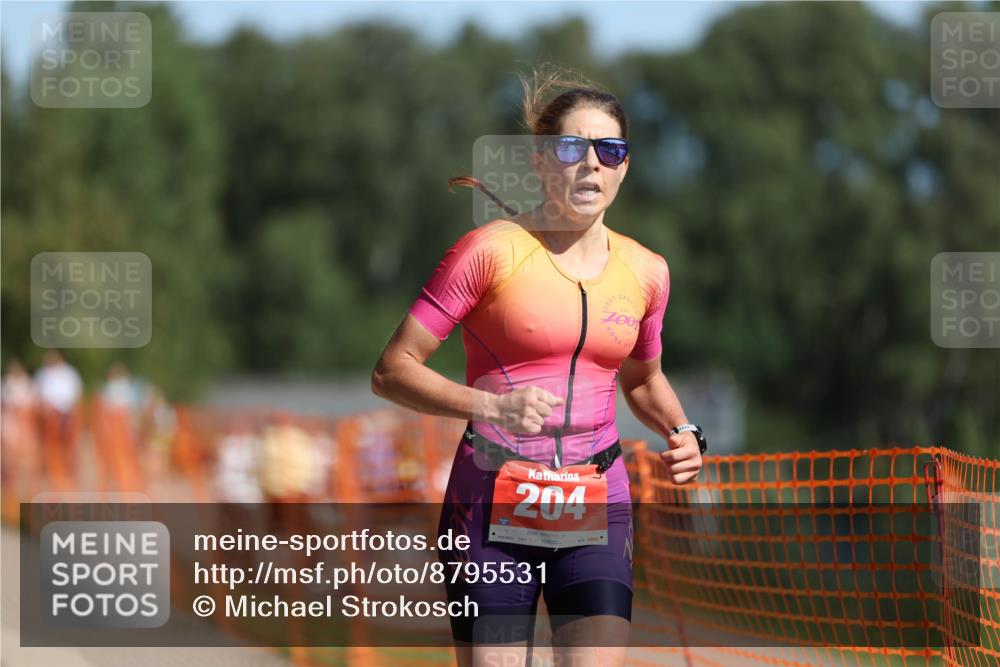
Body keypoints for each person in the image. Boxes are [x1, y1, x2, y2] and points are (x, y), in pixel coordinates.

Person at [371, 65, 706, 667]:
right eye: (571, 148)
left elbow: (644, 379)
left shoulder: (647, 271)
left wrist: (682, 431)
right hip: (491, 501)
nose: (591, 164)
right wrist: (493, 406)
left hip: (597, 499)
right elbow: (393, 368)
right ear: (540, 162)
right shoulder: (488, 251)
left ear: (625, 164)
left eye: (610, 149)